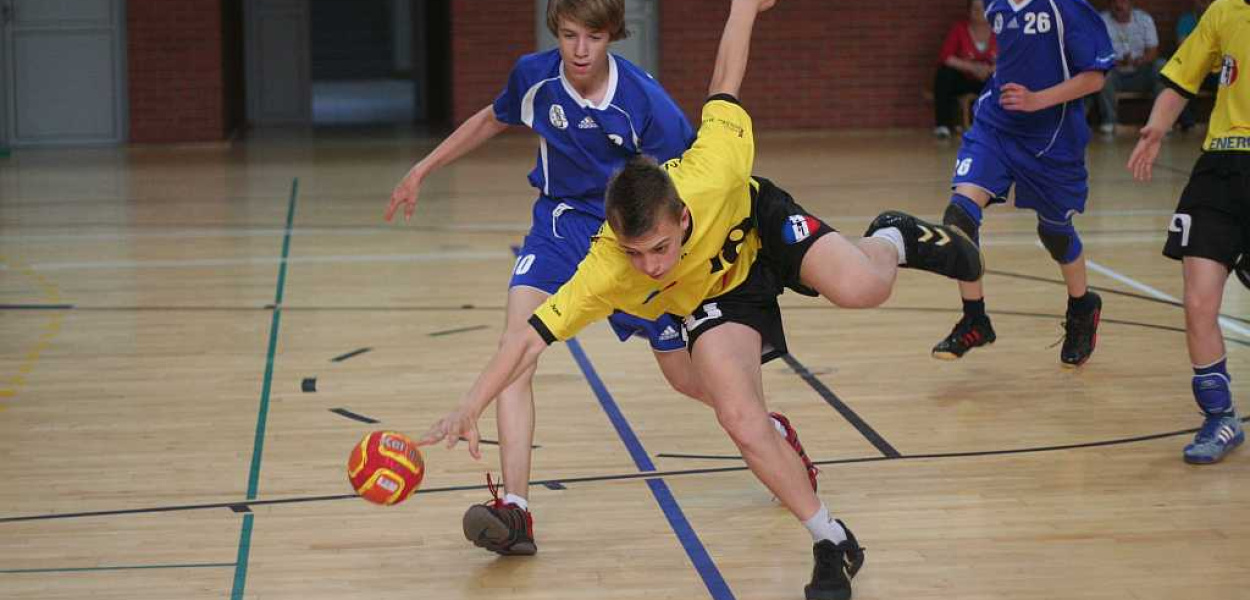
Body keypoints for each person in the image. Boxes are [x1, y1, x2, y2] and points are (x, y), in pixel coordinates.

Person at [415, 0, 986, 597]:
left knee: (864, 288)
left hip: (758, 230)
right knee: (738, 416)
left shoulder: (715, 165)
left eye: (659, 247)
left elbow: (725, 78)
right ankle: (831, 539)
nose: (650, 266)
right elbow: (527, 339)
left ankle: (892, 238)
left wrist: (744, 8)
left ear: (682, 215)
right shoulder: (608, 265)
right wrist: (470, 405)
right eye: (636, 254)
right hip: (720, 293)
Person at [385, 0, 819, 557]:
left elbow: (688, 186)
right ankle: (515, 509)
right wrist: (423, 168)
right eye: (569, 36)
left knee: (687, 379)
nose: (580, 50)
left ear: (611, 35)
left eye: (592, 37)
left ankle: (771, 432)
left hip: (628, 247)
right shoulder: (534, 77)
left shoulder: (643, 102)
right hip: (560, 227)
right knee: (517, 348)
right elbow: (493, 117)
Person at [928, 0, 1114, 366]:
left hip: (1052, 137)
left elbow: (1096, 77)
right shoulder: (994, 4)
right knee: (959, 216)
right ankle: (975, 318)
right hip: (996, 126)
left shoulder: (1064, 6)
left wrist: (1036, 100)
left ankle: (1082, 307)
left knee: (1055, 233)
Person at [1127, 0, 1248, 464]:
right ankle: (1220, 418)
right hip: (1220, 167)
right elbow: (1180, 80)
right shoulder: (1225, 11)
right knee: (1198, 301)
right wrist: (1156, 128)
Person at [1095, 0, 1164, 134]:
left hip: (1140, 73)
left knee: (1161, 66)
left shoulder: (1144, 19)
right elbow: (1097, 53)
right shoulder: (1101, 20)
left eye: (1123, 1)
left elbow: (1153, 51)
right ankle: (1110, 123)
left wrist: (1141, 60)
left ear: (1131, 3)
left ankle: (1159, 122)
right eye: (1115, 1)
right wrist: (1116, 62)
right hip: (1115, 73)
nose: (1118, 5)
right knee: (1102, 72)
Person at [933, 0, 997, 139]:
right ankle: (943, 126)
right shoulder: (959, 29)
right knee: (944, 74)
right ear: (968, 11)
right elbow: (946, 56)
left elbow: (1012, 57)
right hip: (965, 80)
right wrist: (973, 68)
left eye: (983, 9)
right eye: (975, 9)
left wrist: (989, 69)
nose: (979, 13)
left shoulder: (999, 29)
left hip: (990, 80)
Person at [1175, 0, 1215, 131]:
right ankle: (1188, 124)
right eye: (1202, 2)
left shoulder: (1219, 20)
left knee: (1229, 78)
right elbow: (1183, 48)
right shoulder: (1186, 20)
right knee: (1179, 79)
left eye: (1208, 2)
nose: (1205, 5)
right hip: (1193, 68)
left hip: (1214, 70)